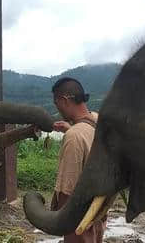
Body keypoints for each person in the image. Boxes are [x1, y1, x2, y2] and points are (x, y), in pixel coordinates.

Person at [50, 77, 106, 243]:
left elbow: (67, 190)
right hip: (97, 214)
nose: (57, 107)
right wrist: (72, 128)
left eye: (56, 103)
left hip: (78, 221)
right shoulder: (98, 120)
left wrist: (61, 222)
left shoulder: (74, 137)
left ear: (64, 100)